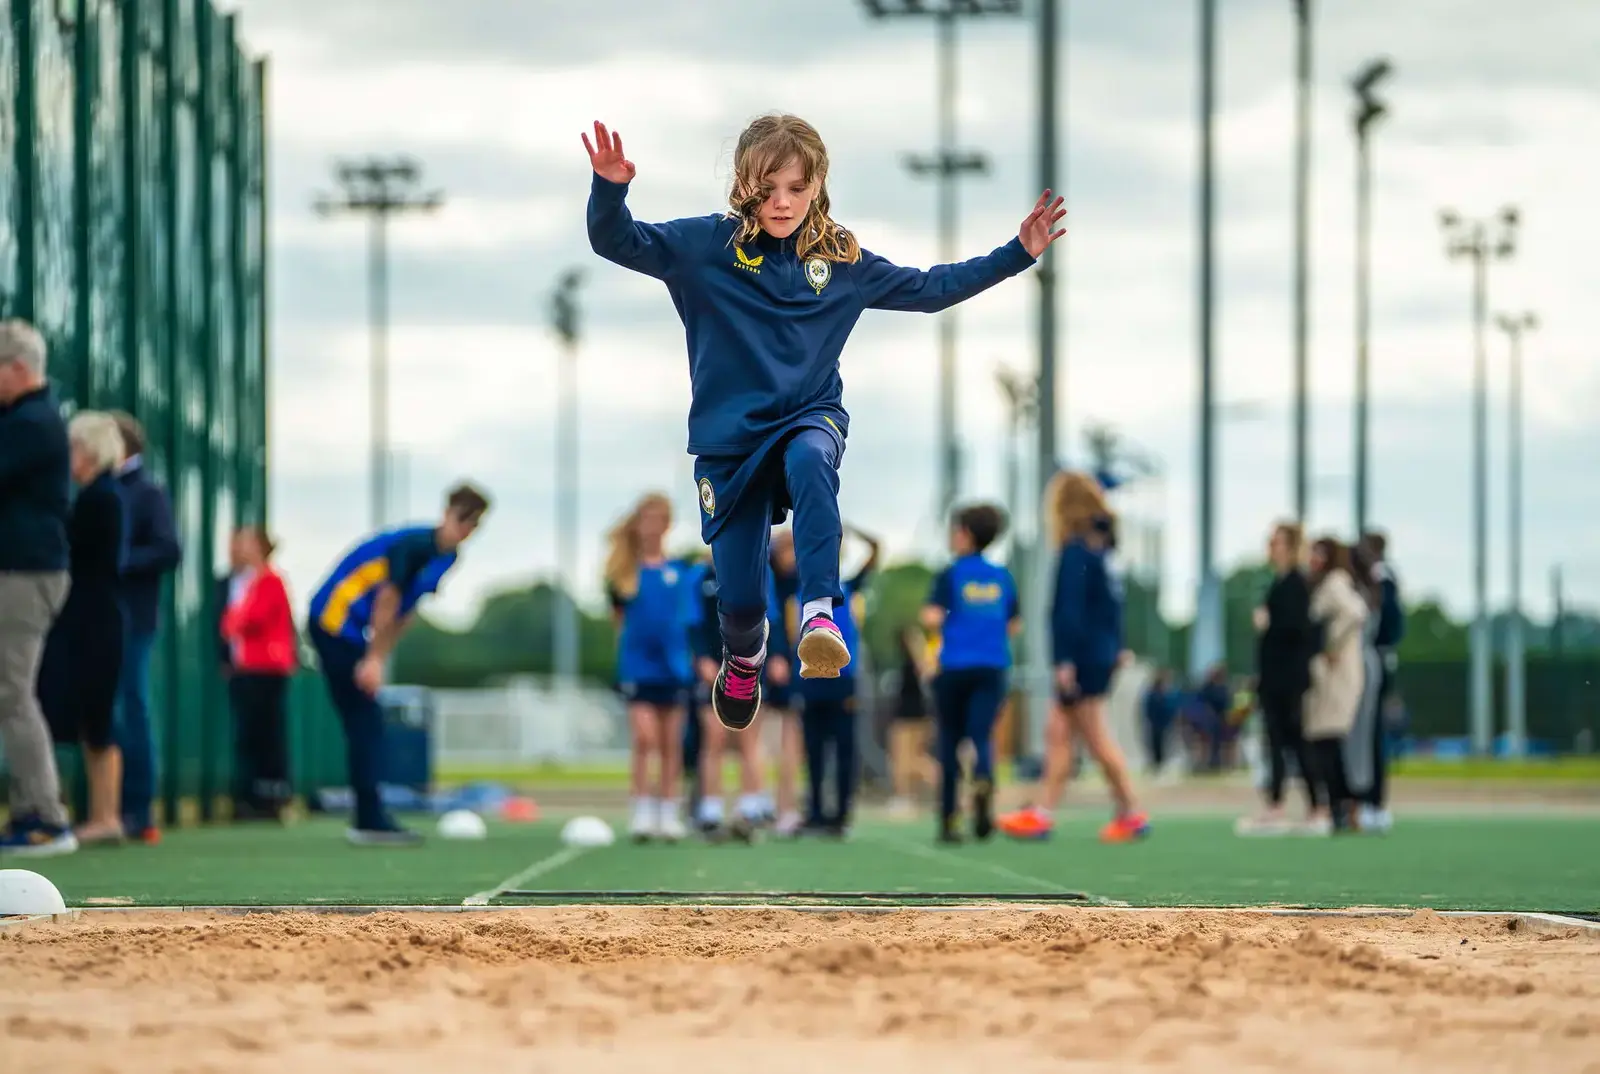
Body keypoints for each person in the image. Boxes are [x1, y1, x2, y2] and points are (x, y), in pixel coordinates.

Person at [583, 114, 1065, 735]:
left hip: (810, 415)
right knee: (741, 601)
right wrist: (609, 188)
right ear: (743, 186)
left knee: (812, 458)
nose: (782, 202)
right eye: (768, 188)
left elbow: (930, 288)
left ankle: (818, 610)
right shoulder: (707, 247)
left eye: (796, 187)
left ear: (817, 187)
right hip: (729, 444)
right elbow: (617, 241)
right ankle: (745, 655)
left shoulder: (841, 259)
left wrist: (1016, 254)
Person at [307, 483, 490, 845]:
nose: (464, 530)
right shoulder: (415, 545)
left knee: (367, 721)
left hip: (356, 634)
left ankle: (369, 814)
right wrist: (372, 660)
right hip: (333, 622)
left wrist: (378, 656)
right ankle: (368, 818)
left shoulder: (448, 558)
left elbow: (405, 613)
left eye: (472, 525)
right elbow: (387, 600)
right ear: (446, 513)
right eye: (460, 520)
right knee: (365, 720)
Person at [998, 471, 1149, 844]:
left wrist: (1064, 661)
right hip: (1101, 652)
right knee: (1059, 732)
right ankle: (1043, 811)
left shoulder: (1076, 551)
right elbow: (1113, 608)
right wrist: (1117, 646)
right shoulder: (1104, 552)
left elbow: (1068, 611)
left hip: (1081, 656)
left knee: (1094, 735)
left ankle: (1129, 809)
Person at [0, 319, 77, 856]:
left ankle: (45, 815)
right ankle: (35, 809)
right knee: (10, 692)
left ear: (20, 369)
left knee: (12, 691)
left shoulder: (32, 422)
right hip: (28, 570)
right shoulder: (30, 419)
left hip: (27, 574)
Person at [36, 412, 128, 845]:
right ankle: (99, 814)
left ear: (89, 450)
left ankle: (104, 815)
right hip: (94, 620)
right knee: (93, 720)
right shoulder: (102, 496)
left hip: (93, 623)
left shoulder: (101, 498)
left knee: (97, 720)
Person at [921, 504, 1021, 844]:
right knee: (982, 735)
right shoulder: (1002, 576)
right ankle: (983, 781)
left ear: (965, 533)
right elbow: (1013, 624)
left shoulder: (950, 574)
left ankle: (949, 819)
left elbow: (932, 618)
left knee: (949, 739)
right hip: (992, 665)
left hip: (954, 667)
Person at [108, 411, 183, 845]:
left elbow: (168, 549)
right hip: (106, 617)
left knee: (132, 708)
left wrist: (117, 564)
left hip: (134, 617)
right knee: (112, 711)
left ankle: (138, 810)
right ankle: (113, 808)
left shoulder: (147, 491)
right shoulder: (103, 490)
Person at [605, 492, 694, 844]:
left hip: (674, 667)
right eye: (647, 519)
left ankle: (668, 810)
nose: (652, 527)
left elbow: (684, 620)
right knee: (645, 739)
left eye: (659, 519)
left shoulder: (679, 571)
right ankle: (642, 808)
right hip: (639, 668)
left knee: (672, 742)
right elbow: (618, 622)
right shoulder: (624, 573)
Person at [1237, 523, 1320, 837]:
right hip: (1275, 678)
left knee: (1295, 741)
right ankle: (1278, 805)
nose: (1270, 548)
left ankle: (1314, 807)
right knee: (1277, 742)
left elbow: (1299, 631)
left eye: (1275, 542)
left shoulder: (1295, 583)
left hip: (1288, 679)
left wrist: (1268, 624)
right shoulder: (1280, 582)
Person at [796, 524, 879, 837]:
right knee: (814, 751)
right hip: (810, 677)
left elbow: (875, 550)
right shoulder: (801, 586)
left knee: (844, 749)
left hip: (843, 679)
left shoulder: (847, 586)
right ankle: (815, 813)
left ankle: (841, 814)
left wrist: (846, 528)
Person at [685, 556, 767, 841]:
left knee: (749, 742)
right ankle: (711, 810)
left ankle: (749, 809)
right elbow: (692, 621)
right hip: (712, 668)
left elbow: (770, 619)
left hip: (747, 668)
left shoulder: (754, 571)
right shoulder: (700, 575)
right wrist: (702, 660)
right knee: (714, 741)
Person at [220, 526, 297, 821]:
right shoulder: (242, 582)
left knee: (268, 734)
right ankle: (249, 796)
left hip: (266, 668)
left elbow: (249, 619)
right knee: (248, 734)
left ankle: (271, 797)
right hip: (246, 668)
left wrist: (235, 621)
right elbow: (228, 623)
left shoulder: (269, 581)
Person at [1302, 535, 1369, 835]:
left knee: (1330, 740)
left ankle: (1346, 804)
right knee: (1324, 741)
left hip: (1337, 672)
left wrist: (1333, 644)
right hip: (1327, 673)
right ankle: (1340, 805)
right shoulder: (1321, 584)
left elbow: (1356, 613)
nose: (1314, 559)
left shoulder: (1335, 582)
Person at [1357, 530, 1403, 832]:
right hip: (1372, 658)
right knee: (1365, 734)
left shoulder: (1381, 580)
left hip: (1371, 659)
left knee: (1370, 733)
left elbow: (1391, 626)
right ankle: (1366, 800)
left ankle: (1372, 801)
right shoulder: (1381, 580)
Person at [763, 530, 804, 835]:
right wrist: (776, 655)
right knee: (763, 741)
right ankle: (759, 802)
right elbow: (771, 619)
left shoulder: (804, 579)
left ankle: (787, 807)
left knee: (791, 744)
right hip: (768, 662)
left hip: (797, 667)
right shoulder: (766, 577)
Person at [886, 625, 937, 819]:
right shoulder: (910, 661)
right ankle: (905, 797)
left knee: (908, 760)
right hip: (906, 715)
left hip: (912, 717)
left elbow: (927, 678)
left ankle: (905, 797)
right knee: (904, 760)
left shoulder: (921, 663)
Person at [1140, 669, 1180, 775]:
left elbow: (1173, 708)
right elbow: (1148, 708)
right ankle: (1156, 765)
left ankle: (1164, 764)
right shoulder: (1153, 693)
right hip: (1155, 723)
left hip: (1166, 723)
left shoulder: (1170, 693)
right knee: (1155, 745)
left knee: (1166, 745)